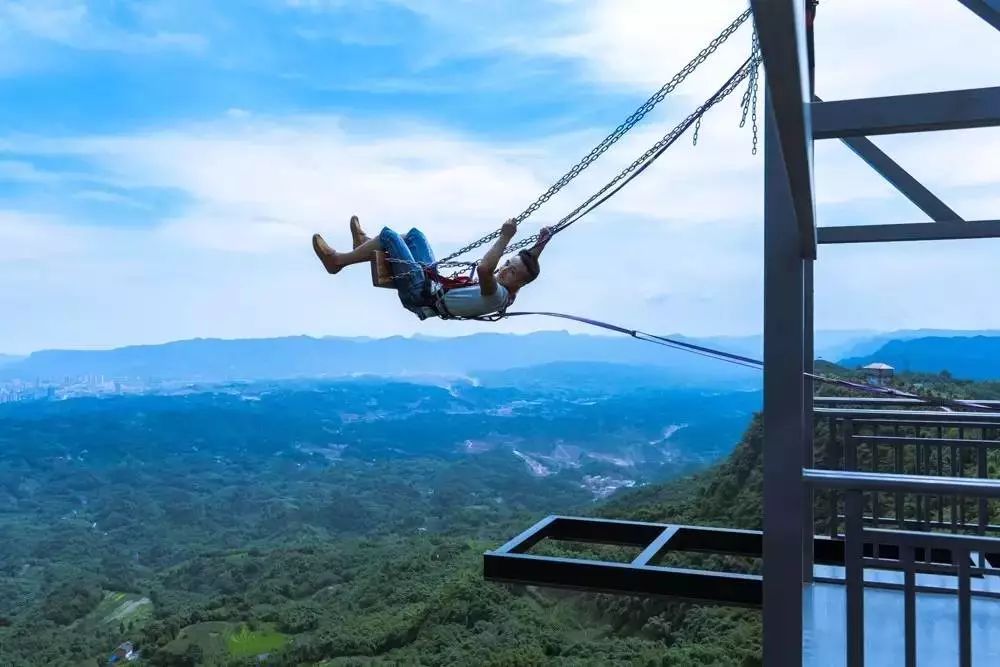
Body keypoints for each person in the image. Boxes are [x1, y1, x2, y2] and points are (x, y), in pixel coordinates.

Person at [312, 217, 551, 319]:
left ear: (518, 283)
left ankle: (338, 261)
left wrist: (505, 237)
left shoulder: (497, 295)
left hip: (421, 294)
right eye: (508, 263)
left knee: (388, 235)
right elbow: (526, 270)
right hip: (431, 283)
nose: (505, 268)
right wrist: (541, 243)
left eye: (511, 271)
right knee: (415, 236)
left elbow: (485, 269)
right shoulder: (513, 287)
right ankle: (363, 246)